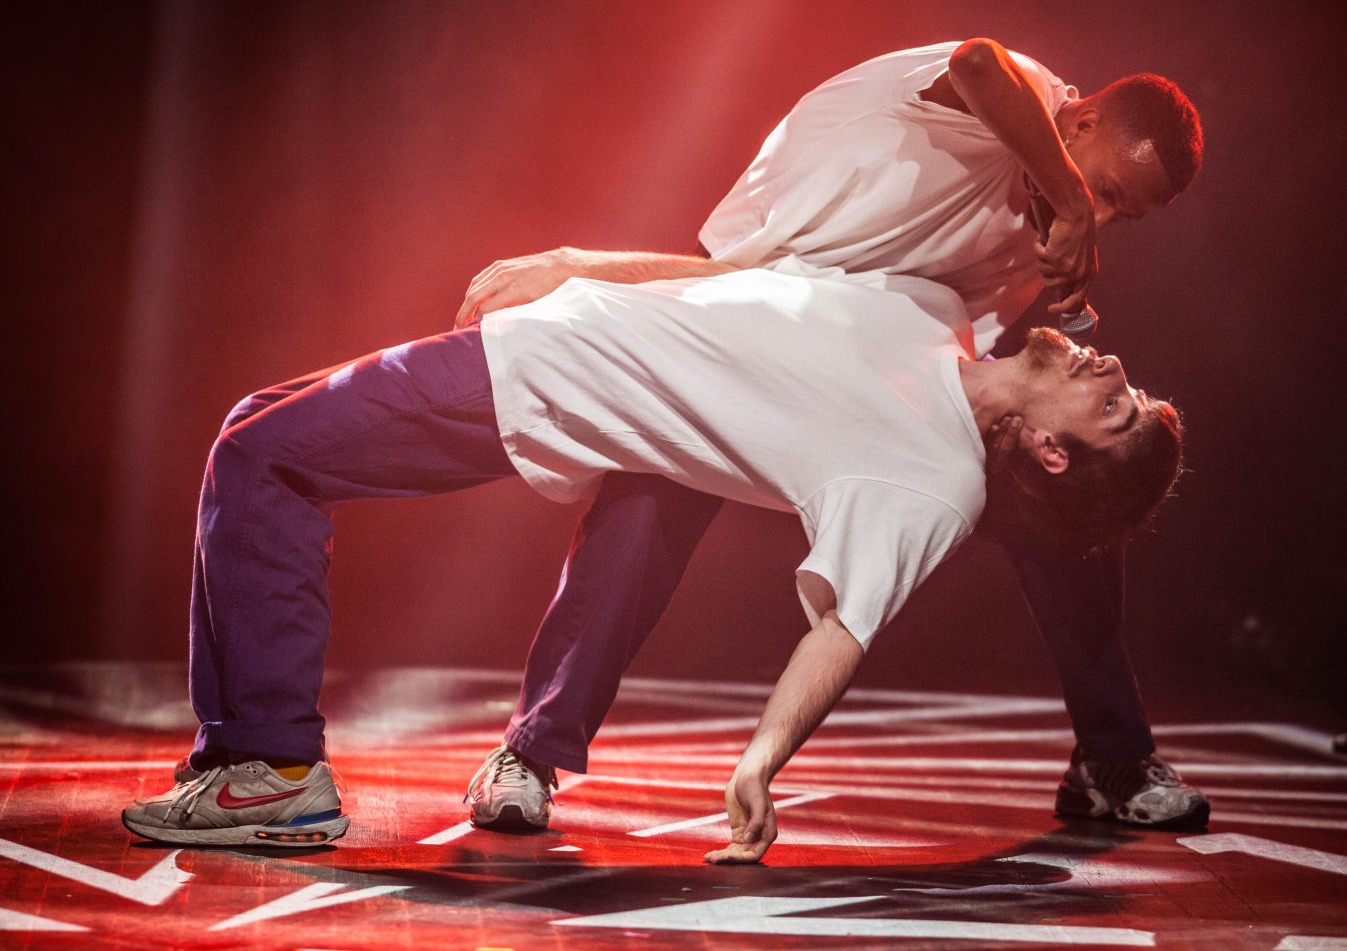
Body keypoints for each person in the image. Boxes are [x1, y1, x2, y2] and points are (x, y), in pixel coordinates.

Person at [120, 263, 1182, 862]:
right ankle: (240, 757)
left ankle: (276, 772)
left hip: (540, 386)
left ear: (1052, 453)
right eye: (1130, 390)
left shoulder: (930, 481)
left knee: (262, 461)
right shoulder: (938, 313)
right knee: (252, 428)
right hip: (548, 333)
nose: (1114, 371)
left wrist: (758, 764)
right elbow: (743, 270)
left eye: (1116, 409)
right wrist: (574, 263)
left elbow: (840, 631)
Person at [451, 39, 1208, 833]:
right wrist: (578, 267)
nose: (1102, 220)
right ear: (1080, 123)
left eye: (1123, 214)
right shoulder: (1015, 94)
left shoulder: (1051, 225)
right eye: (1107, 193)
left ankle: (1111, 755)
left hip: (891, 374)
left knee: (1078, 488)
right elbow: (978, 67)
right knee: (648, 506)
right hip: (753, 304)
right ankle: (531, 749)